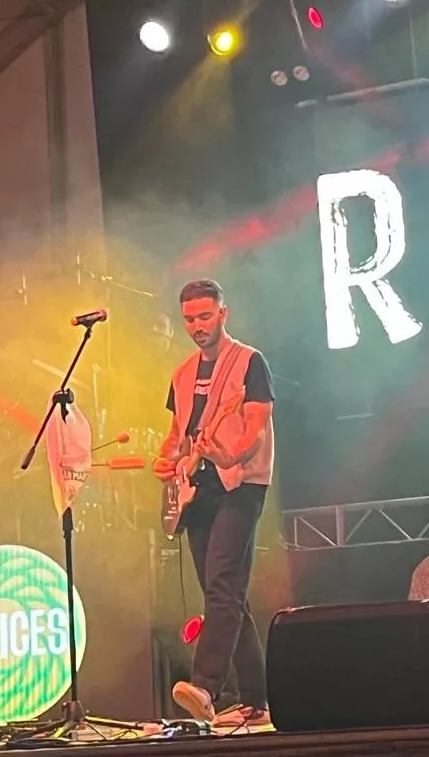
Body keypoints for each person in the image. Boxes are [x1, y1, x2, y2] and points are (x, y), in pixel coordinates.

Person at [152, 279, 276, 728]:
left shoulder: (249, 361)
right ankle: (255, 701)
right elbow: (177, 433)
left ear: (223, 313)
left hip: (241, 483)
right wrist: (167, 459)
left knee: (223, 582)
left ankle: (205, 685)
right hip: (199, 487)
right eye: (189, 319)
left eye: (205, 316)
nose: (197, 326)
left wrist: (231, 455)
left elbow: (256, 425)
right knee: (224, 592)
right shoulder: (182, 373)